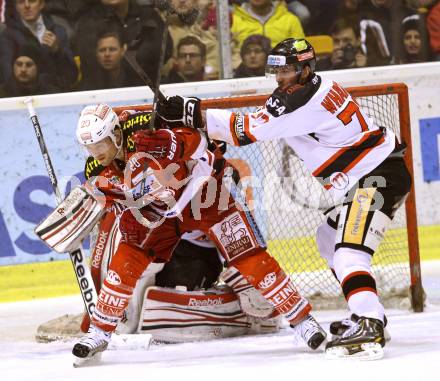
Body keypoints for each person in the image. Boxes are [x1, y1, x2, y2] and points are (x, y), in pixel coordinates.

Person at [157, 38, 412, 359]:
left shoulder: (301, 100)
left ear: (306, 70)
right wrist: (195, 113)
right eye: (276, 70)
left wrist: (193, 113)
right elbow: (260, 120)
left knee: (348, 253)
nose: (280, 78)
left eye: (288, 71)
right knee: (328, 238)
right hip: (373, 174)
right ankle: (369, 311)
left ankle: (370, 324)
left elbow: (246, 130)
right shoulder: (312, 87)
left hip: (376, 178)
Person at [69, 103, 326, 365]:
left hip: (203, 196)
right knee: (126, 259)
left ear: (115, 134)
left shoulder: (146, 126)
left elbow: (199, 141)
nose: (96, 153)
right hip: (160, 213)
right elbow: (116, 201)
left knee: (250, 256)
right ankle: (100, 332)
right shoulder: (97, 169)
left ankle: (303, 320)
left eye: (100, 144)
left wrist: (172, 141)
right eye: (90, 147)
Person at [0, 0, 78, 91]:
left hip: (57, 95)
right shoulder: (8, 36)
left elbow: (71, 77)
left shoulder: (58, 31)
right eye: (21, 2)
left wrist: (57, 51)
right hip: (24, 97)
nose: (27, 5)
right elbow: (7, 77)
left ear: (41, 4)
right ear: (16, 7)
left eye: (32, 1)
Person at [79, 28, 143, 90]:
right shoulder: (90, 82)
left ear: (122, 51)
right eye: (102, 50)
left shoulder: (137, 77)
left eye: (112, 49)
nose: (107, 54)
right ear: (96, 53)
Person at [231, 0, 305, 49]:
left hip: (282, 70)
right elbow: (229, 54)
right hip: (242, 71)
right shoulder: (234, 20)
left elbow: (300, 50)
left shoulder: (291, 20)